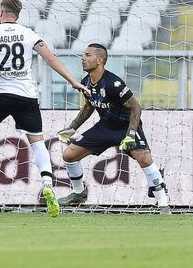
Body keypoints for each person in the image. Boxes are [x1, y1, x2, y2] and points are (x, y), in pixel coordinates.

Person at [0, 0, 89, 218]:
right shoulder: (29, 33)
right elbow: (50, 58)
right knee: (37, 143)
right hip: (27, 96)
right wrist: (73, 81)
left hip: (0, 94)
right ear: (18, 15)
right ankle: (47, 182)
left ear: (0, 13)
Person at [57, 44, 170, 213]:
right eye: (83, 55)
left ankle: (163, 202)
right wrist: (72, 127)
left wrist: (131, 133)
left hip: (126, 127)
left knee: (144, 158)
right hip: (105, 127)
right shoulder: (85, 82)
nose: (83, 58)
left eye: (88, 55)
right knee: (69, 155)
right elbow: (89, 107)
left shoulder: (113, 84)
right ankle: (78, 193)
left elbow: (136, 108)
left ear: (100, 60)